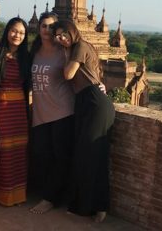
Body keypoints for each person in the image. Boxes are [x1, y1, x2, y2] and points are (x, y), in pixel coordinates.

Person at [51, 20, 115, 223]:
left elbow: (68, 74)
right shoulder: (74, 49)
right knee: (83, 154)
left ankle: (100, 206)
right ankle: (85, 205)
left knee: (93, 155)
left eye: (64, 34)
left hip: (95, 102)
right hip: (85, 101)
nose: (61, 38)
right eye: (58, 36)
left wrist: (61, 54)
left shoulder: (80, 46)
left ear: (72, 32)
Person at [29, 12, 75, 214]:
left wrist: (98, 84)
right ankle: (47, 192)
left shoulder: (64, 51)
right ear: (39, 29)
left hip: (62, 111)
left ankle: (50, 198)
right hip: (40, 112)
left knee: (59, 156)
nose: (47, 30)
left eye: (51, 27)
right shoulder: (33, 52)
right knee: (41, 154)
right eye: (43, 26)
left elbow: (82, 69)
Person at [0, 17, 30, 206]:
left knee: (19, 151)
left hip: (19, 109)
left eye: (21, 33)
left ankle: (18, 195)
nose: (17, 35)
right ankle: (3, 195)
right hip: (1, 107)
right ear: (7, 32)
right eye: (14, 31)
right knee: (4, 151)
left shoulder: (26, 58)